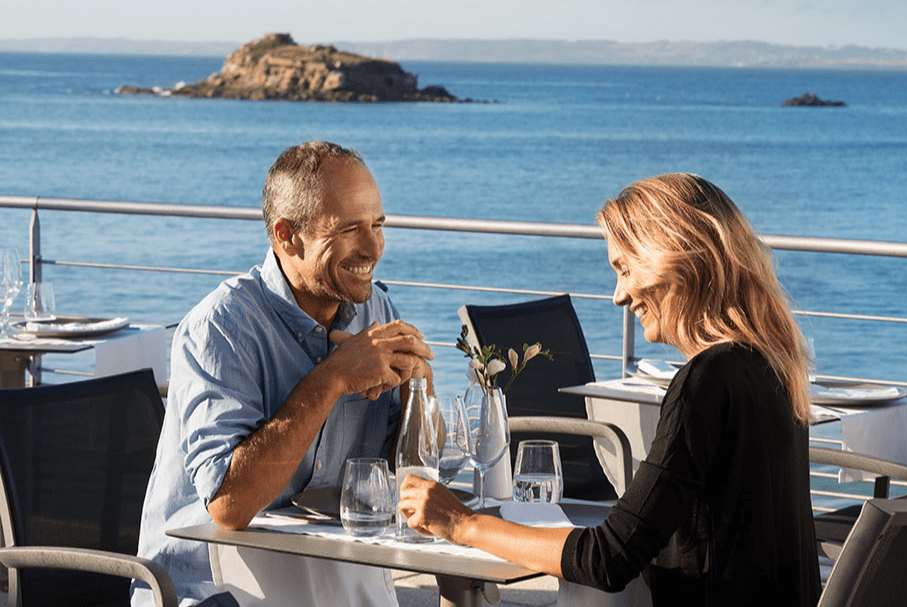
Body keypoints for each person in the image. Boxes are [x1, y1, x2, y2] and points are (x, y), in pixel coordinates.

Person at [400, 173, 822, 605]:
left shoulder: (708, 381)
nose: (618, 296)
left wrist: (461, 523)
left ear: (675, 256)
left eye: (624, 268)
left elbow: (609, 558)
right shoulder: (772, 365)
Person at [133, 141, 432, 606]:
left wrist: (419, 390)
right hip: (214, 590)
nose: (374, 246)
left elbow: (406, 480)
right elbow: (229, 507)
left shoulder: (375, 308)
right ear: (287, 236)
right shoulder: (221, 328)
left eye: (377, 225)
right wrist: (333, 378)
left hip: (327, 578)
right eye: (350, 228)